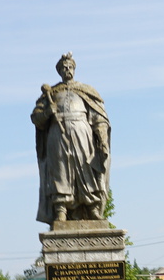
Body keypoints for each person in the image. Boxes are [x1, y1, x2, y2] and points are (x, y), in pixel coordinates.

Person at [31, 52, 111, 225]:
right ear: (59, 71)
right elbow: (36, 118)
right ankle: (61, 209)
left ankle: (92, 208)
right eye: (64, 68)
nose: (67, 70)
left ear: (74, 69)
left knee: (86, 168)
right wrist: (46, 113)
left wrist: (103, 140)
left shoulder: (86, 92)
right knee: (60, 170)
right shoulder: (51, 93)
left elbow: (99, 119)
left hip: (82, 132)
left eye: (70, 67)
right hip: (57, 135)